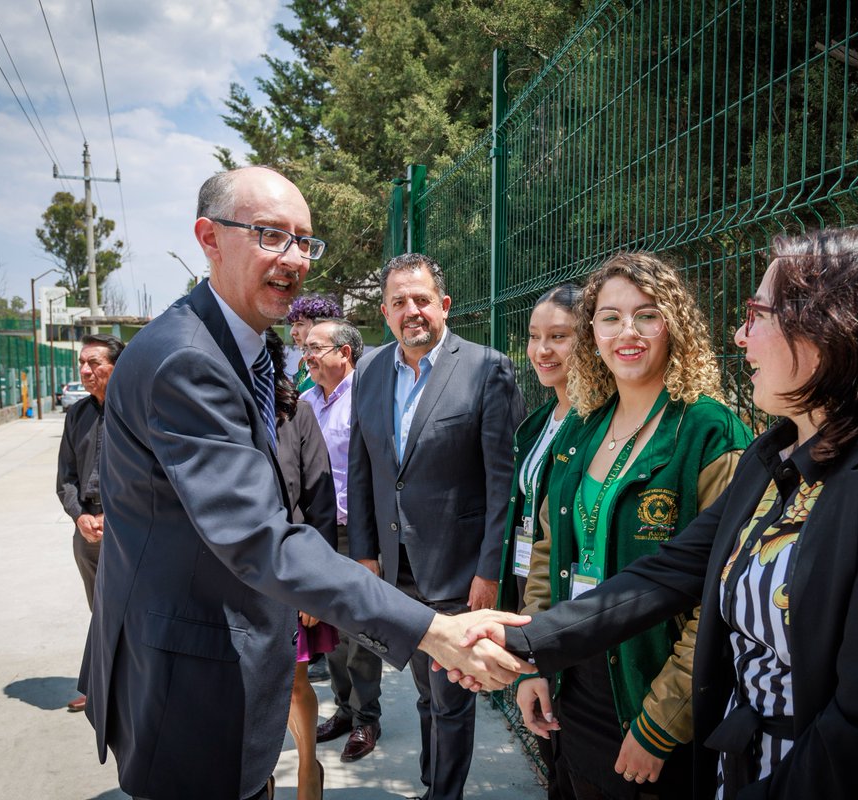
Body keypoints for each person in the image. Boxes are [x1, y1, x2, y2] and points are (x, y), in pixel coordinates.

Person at [464, 228, 858, 800]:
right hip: (742, 762)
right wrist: (522, 641)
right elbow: (666, 575)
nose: (741, 336)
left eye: (757, 314)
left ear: (833, 326)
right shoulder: (773, 458)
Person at [80, 166, 532, 800]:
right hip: (189, 675)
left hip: (231, 659)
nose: (294, 259)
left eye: (305, 242)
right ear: (209, 237)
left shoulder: (244, 346)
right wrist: (432, 630)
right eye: (270, 235)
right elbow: (259, 537)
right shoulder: (187, 358)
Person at [517, 255, 751, 800]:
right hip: (575, 689)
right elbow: (548, 556)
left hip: (654, 696)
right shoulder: (582, 427)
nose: (627, 333)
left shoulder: (710, 432)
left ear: (675, 324)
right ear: (591, 330)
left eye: (647, 315)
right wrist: (534, 661)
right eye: (609, 317)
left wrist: (661, 722)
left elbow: (721, 595)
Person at [347, 251, 526, 800]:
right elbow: (363, 467)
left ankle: (442, 793)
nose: (412, 311)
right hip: (396, 571)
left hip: (458, 571)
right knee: (426, 688)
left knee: (450, 697)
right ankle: (432, 781)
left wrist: (489, 570)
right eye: (399, 302)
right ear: (384, 312)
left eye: (421, 299)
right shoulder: (371, 369)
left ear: (444, 304)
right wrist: (366, 553)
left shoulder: (485, 368)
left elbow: (504, 482)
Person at [494, 284, 580, 800]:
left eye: (559, 337)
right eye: (533, 337)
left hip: (568, 596)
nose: (541, 350)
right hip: (530, 583)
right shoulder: (537, 422)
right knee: (550, 743)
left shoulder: (595, 422)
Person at [301, 319, 388, 763]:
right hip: (317, 533)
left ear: (344, 353)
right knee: (329, 626)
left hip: (359, 533)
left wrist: (369, 542)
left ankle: (366, 718)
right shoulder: (303, 402)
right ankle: (343, 708)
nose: (307, 354)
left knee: (361, 630)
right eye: (305, 347)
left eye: (315, 347)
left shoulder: (369, 398)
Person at [267, 325, 340, 800]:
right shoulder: (213, 412)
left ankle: (307, 772)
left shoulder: (299, 414)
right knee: (240, 691)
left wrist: (315, 584)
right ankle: (259, 777)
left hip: (288, 573)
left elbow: (320, 503)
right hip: (229, 578)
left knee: (293, 686)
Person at [55, 332, 124, 713]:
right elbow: (65, 478)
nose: (85, 370)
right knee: (99, 609)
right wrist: (80, 516)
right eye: (82, 363)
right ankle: (100, 686)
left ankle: (129, 685)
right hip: (88, 530)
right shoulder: (76, 416)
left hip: (130, 525)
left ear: (116, 365)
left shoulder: (137, 410)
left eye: (94, 363)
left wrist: (115, 516)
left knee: (130, 608)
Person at [287, 294, 343, 394]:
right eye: (292, 325)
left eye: (300, 324)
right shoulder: (304, 363)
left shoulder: (332, 366)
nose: (292, 332)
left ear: (322, 325)